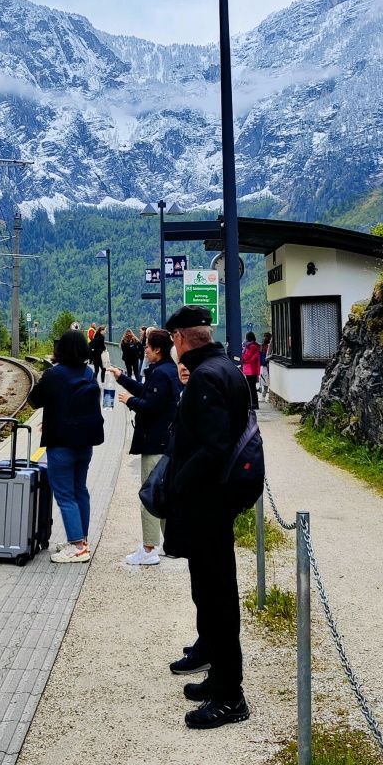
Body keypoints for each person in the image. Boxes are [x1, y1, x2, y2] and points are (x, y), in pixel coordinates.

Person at [161, 305, 251, 730]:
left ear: (179, 339)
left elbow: (212, 447)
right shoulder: (225, 368)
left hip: (206, 506)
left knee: (216, 599)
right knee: (214, 594)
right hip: (218, 503)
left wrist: (178, 483)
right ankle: (218, 678)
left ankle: (231, 697)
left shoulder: (205, 377)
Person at [27, 330, 105, 564]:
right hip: (85, 444)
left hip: (61, 445)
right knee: (80, 490)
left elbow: (34, 401)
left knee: (65, 495)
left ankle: (78, 547)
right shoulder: (89, 373)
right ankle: (81, 540)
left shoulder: (54, 374)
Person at [108, 328, 181, 566]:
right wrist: (122, 378)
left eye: (147, 346)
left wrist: (130, 401)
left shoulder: (160, 374)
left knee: (150, 496)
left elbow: (150, 406)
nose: (145, 350)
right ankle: (172, 543)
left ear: (157, 350)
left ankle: (149, 549)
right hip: (167, 441)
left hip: (155, 441)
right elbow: (148, 393)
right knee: (163, 495)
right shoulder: (167, 371)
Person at [240, 332, 262, 406]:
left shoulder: (251, 347)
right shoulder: (254, 346)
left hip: (250, 370)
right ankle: (253, 403)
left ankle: (253, 403)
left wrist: (243, 352)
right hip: (252, 369)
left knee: (251, 387)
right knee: (252, 387)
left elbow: (246, 357)